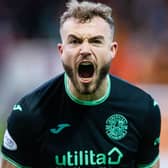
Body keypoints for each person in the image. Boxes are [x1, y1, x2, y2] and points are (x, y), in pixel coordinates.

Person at [1, 0, 161, 167]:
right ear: (61, 51)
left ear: (112, 50)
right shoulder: (29, 113)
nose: (84, 50)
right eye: (75, 41)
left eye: (96, 41)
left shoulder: (143, 109)